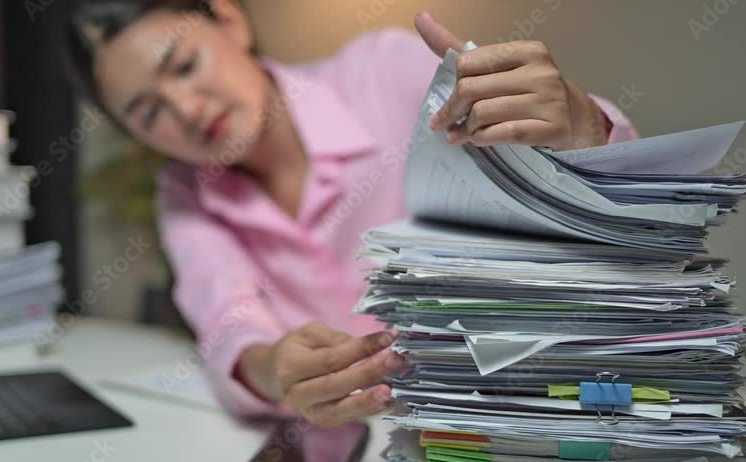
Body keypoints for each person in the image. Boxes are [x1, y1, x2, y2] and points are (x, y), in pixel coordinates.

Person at [66, 0, 638, 427]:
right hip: (367, 450)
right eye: (147, 113)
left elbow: (612, 217)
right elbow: (224, 315)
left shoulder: (385, 72)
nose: (187, 111)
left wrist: (579, 125)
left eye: (185, 66)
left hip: (535, 409)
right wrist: (273, 369)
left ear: (229, 19)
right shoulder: (186, 193)